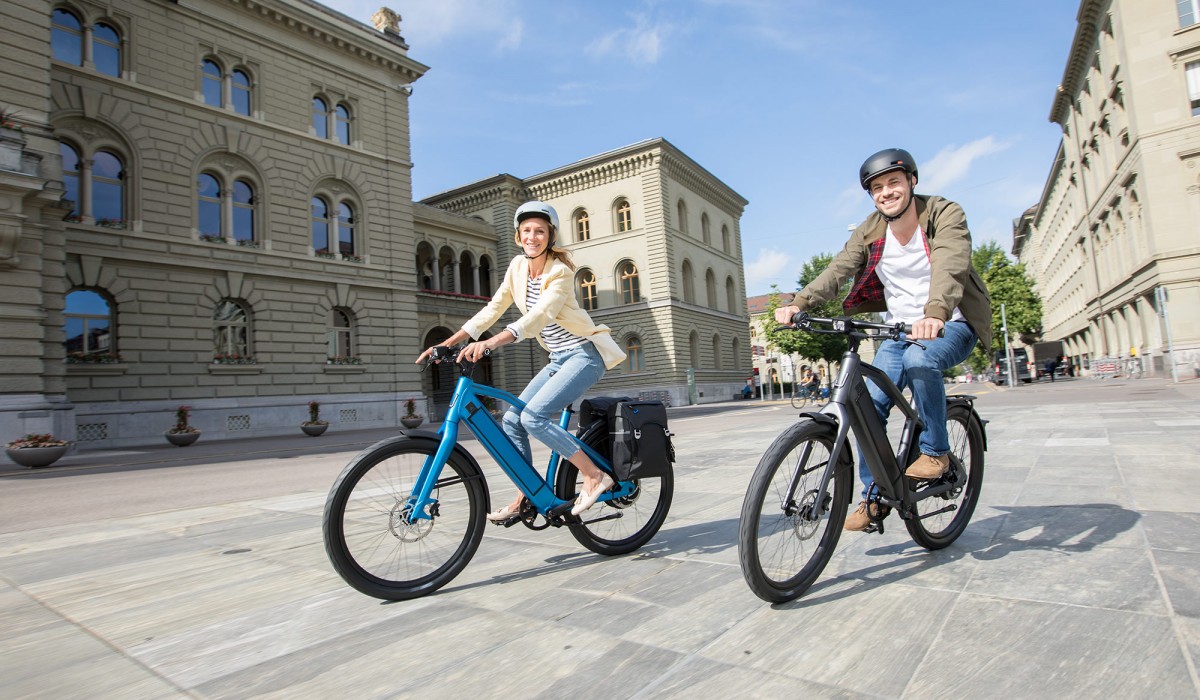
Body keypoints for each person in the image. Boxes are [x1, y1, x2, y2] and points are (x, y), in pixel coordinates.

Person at [774, 148, 992, 532]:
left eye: (893, 182)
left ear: (911, 181)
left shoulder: (943, 213)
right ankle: (874, 497)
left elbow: (951, 262)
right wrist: (799, 303)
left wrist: (935, 313)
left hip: (950, 322)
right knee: (865, 406)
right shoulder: (871, 229)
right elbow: (839, 268)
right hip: (897, 330)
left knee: (920, 361)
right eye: (877, 187)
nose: (886, 192)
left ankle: (936, 452)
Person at [417, 201, 626, 520]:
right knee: (512, 419)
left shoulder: (560, 272)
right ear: (518, 236)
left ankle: (595, 476)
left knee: (533, 418)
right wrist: (447, 342)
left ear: (550, 236)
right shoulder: (516, 267)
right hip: (558, 358)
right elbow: (493, 308)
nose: (533, 236)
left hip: (584, 355)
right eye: (527, 231)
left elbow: (540, 317)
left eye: (540, 231)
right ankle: (526, 496)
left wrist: (491, 342)